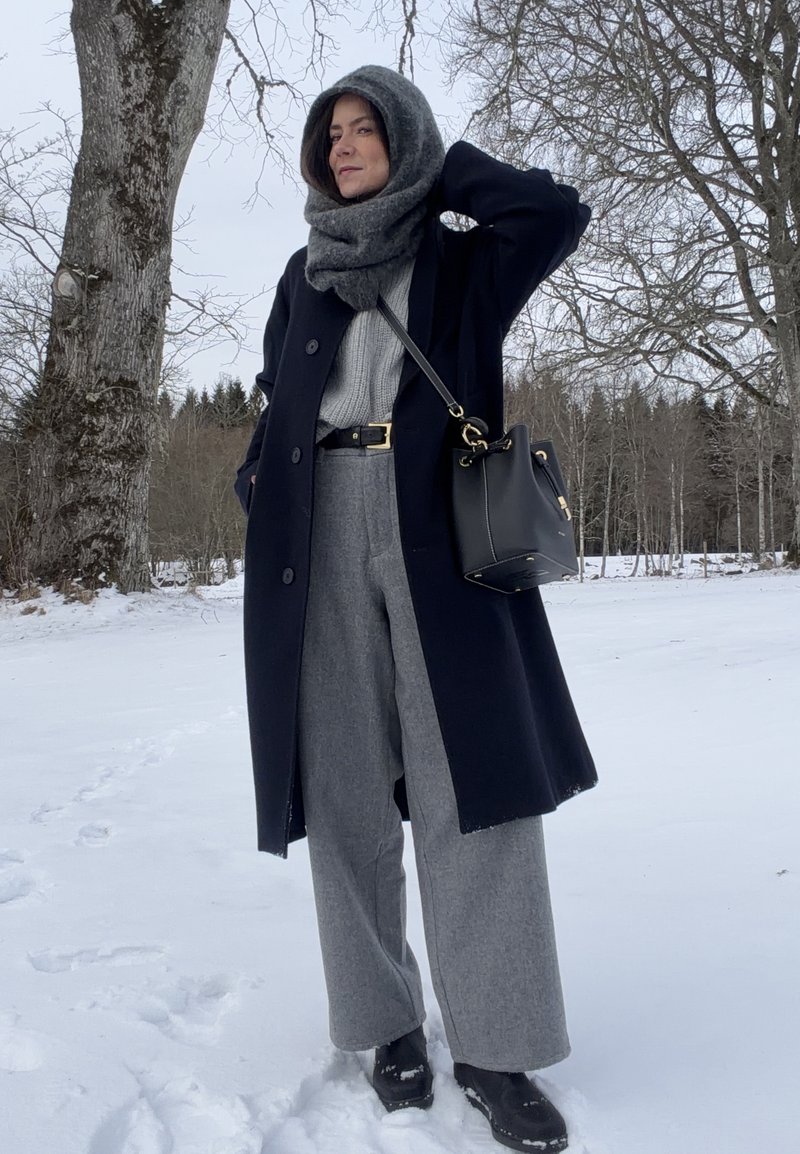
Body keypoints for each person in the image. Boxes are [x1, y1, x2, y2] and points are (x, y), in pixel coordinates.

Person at [234, 65, 597, 1153]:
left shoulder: (461, 256)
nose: (342, 146)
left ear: (405, 141)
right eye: (330, 133)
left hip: (438, 534)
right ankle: (386, 1022)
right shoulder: (304, 272)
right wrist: (260, 477)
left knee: (469, 791)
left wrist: (443, 174)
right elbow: (273, 396)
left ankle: (494, 1044)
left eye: (364, 130)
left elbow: (554, 211)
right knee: (341, 785)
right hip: (313, 537)